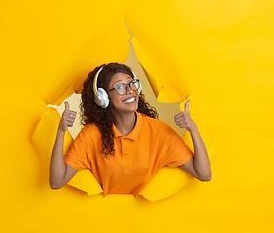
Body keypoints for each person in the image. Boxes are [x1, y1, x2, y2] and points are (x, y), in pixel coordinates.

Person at [49, 62, 211, 195]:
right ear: (103, 98)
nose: (131, 91)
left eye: (132, 84)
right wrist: (61, 131)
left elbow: (204, 174)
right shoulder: (90, 136)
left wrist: (193, 130)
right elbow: (56, 182)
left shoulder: (160, 132)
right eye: (120, 87)